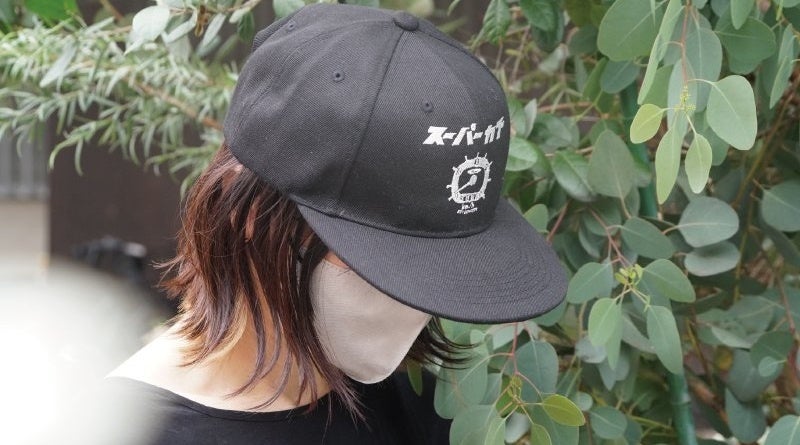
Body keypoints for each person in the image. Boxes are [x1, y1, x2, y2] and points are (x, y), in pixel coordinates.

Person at [56, 3, 567, 444]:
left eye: (441, 264)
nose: (418, 302)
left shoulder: (419, 402)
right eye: (387, 260)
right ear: (254, 215)